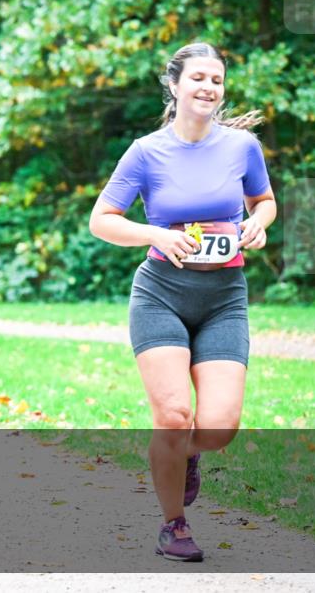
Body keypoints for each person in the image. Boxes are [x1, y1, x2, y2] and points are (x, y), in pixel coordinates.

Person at [88, 43, 276, 562]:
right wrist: (157, 234)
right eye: (197, 77)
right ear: (174, 85)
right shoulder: (146, 151)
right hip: (160, 293)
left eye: (216, 79)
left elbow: (264, 201)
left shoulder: (242, 147)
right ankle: (174, 524)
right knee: (173, 415)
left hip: (224, 297)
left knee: (217, 427)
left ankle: (189, 454)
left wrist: (258, 223)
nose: (208, 87)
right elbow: (102, 220)